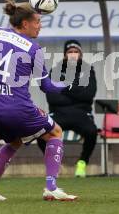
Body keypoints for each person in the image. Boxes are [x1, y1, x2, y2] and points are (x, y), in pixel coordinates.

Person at [0, 0, 77, 201]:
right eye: (37, 21)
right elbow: (47, 87)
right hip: (18, 108)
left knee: (15, 141)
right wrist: (68, 84)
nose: (40, 25)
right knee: (55, 132)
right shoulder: (34, 49)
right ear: (25, 23)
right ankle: (51, 187)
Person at [38, 40, 97, 178]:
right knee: (41, 133)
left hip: (81, 114)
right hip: (59, 113)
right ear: (65, 55)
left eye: (76, 52)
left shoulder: (88, 70)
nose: (73, 55)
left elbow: (89, 95)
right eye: (70, 52)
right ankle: (54, 163)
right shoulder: (55, 71)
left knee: (92, 131)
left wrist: (65, 87)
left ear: (80, 54)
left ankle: (82, 162)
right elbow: (52, 98)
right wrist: (77, 92)